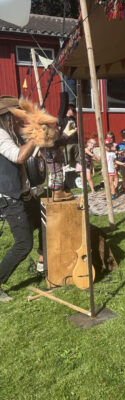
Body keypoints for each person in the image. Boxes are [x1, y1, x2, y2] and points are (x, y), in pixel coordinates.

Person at [0, 96, 43, 301]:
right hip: (11, 197)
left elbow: (30, 156)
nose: (20, 117)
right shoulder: (0, 134)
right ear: (7, 116)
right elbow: (18, 156)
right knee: (23, 245)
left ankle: (43, 262)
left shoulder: (12, 132)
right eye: (16, 114)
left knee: (46, 222)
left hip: (24, 194)